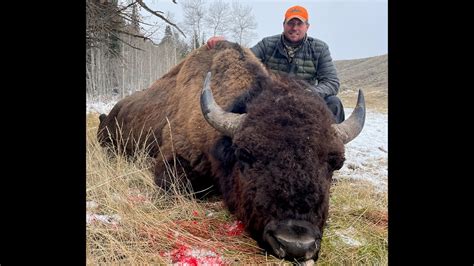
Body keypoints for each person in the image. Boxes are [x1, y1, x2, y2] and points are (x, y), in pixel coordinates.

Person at [206, 5, 345, 123]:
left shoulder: (320, 48)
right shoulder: (268, 44)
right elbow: (244, 58)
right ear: (284, 25)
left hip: (306, 100)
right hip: (272, 99)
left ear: (307, 26)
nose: (294, 28)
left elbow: (331, 82)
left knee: (334, 104)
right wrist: (225, 43)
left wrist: (309, 92)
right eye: (291, 23)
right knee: (241, 102)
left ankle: (331, 147)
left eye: (299, 24)